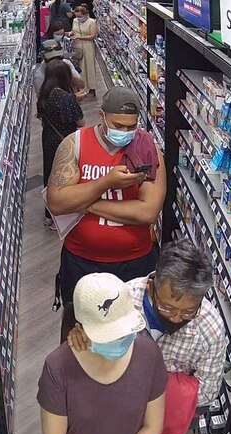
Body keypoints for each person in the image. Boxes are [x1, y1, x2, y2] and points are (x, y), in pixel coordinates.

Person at [66, 240, 228, 434]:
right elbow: (94, 342)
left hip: (171, 417)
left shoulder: (210, 327)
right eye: (168, 307)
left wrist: (157, 392)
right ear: (152, 284)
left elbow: (207, 391)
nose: (176, 317)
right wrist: (82, 337)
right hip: (118, 408)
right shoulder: (123, 299)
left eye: (187, 312)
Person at [38, 272, 167, 434]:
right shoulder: (57, 367)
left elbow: (152, 426)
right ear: (80, 328)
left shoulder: (148, 354)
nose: (118, 340)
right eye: (108, 336)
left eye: (123, 332)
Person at [46, 86, 166, 308]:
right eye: (118, 126)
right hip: (81, 263)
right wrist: (105, 183)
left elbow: (148, 212)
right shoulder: (75, 144)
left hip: (135, 264)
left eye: (131, 126)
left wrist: (87, 203)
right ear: (102, 116)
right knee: (80, 330)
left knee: (132, 331)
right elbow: (56, 202)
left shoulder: (148, 149)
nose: (125, 132)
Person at [38, 60, 85, 230]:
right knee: (66, 174)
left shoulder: (44, 93)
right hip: (66, 140)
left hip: (49, 138)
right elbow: (81, 122)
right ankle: (64, 215)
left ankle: (49, 216)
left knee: (50, 174)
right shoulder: (66, 97)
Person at [70, 5, 98, 97]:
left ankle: (92, 89)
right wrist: (70, 33)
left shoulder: (92, 22)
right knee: (77, 68)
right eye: (76, 16)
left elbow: (92, 36)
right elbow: (74, 31)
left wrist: (79, 37)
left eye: (80, 16)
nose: (78, 18)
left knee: (88, 67)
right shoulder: (75, 21)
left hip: (87, 46)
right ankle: (79, 88)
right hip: (76, 46)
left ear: (85, 14)